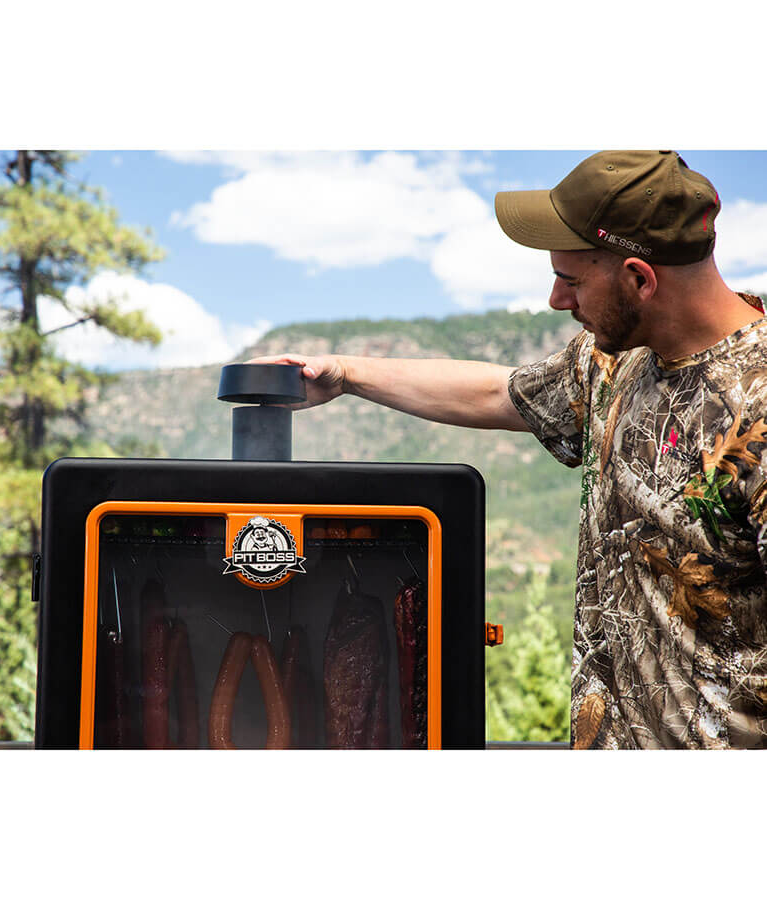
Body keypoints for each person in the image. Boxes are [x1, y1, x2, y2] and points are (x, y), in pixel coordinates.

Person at [250, 150, 767, 749]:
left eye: (570, 280)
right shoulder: (615, 362)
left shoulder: (755, 406)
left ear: (640, 279)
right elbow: (501, 392)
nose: (555, 299)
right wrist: (344, 374)